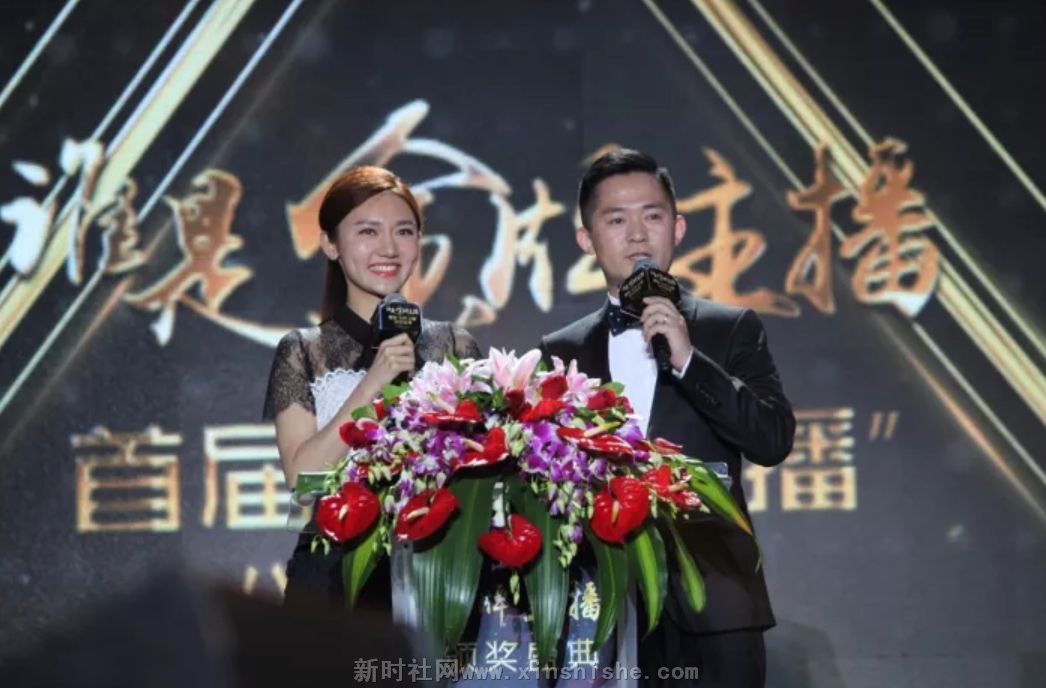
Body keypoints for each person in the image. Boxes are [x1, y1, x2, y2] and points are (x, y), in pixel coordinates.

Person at [539, 149, 796, 687]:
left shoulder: (730, 329)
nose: (637, 235)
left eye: (652, 216)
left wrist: (688, 360)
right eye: (616, 220)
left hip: (714, 605)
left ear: (677, 228)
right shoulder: (560, 351)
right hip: (601, 608)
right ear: (586, 239)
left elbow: (771, 439)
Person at [263, 165, 479, 609]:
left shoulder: (454, 344)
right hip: (334, 581)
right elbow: (303, 483)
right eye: (367, 231)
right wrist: (372, 385)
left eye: (404, 231)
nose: (388, 248)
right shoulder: (303, 350)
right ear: (330, 244)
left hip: (438, 575)